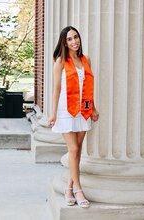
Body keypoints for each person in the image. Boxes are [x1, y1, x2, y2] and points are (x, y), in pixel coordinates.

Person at [48, 26, 99, 208]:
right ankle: (78, 189)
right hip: (65, 110)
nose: (74, 41)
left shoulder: (86, 60)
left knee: (77, 152)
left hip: (83, 110)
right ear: (64, 42)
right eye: (69, 39)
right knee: (74, 150)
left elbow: (88, 87)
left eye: (75, 37)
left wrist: (93, 108)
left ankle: (69, 189)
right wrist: (53, 113)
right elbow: (56, 89)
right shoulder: (61, 61)